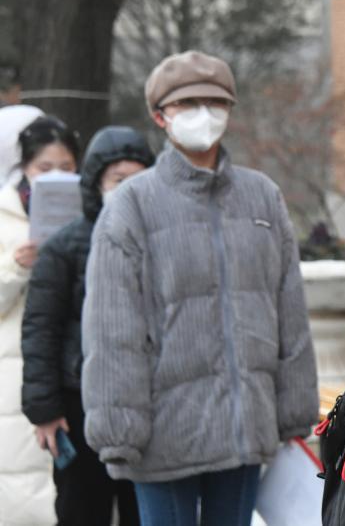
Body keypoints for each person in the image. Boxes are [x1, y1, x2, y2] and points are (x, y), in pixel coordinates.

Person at [81, 51, 319, 526]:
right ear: (160, 115)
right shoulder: (131, 206)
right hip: (164, 434)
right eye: (187, 103)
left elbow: (289, 311)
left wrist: (294, 409)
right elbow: (112, 331)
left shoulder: (262, 197)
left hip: (245, 427)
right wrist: (119, 430)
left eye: (215, 102)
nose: (203, 113)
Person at [22, 125, 155, 526]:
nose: (128, 189)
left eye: (138, 179)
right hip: (78, 403)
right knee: (82, 509)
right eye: (118, 179)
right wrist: (44, 410)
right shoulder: (64, 247)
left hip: (148, 405)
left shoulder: (161, 241)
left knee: (143, 511)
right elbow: (41, 330)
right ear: (97, 183)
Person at [1, 115, 79, 525]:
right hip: (14, 370)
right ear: (24, 168)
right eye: (44, 168)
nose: (56, 177)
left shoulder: (89, 214)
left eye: (66, 168)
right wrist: (16, 266)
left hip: (69, 365)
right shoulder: (3, 215)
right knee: (20, 483)